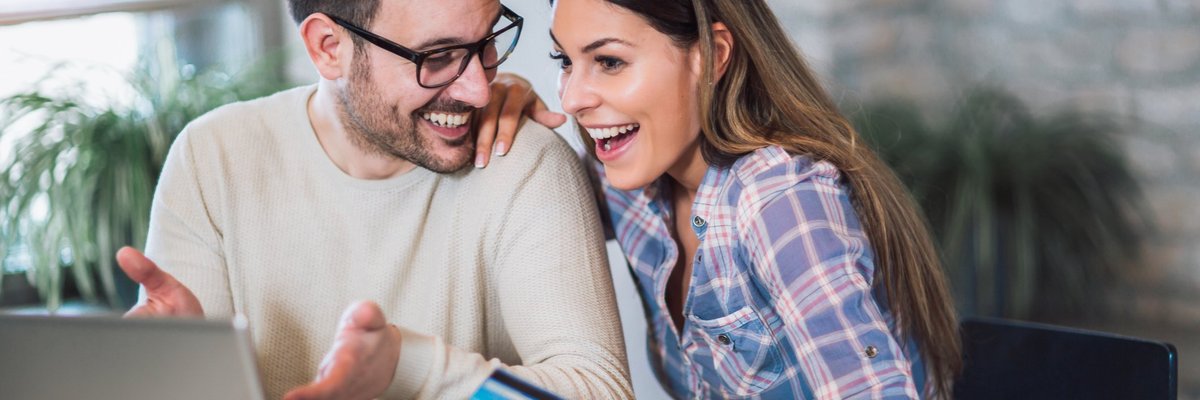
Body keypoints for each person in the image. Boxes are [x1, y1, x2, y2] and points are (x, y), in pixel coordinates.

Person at [114, 0, 633, 399]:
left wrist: (410, 367)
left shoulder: (523, 161)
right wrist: (178, 375)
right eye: (438, 56)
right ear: (328, 47)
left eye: (488, 40)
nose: (479, 89)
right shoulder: (214, 157)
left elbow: (600, 391)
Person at [547, 0, 962, 398]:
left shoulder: (781, 205)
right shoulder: (625, 180)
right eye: (564, 60)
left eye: (609, 62)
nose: (572, 99)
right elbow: (526, 219)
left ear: (711, 57)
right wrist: (502, 99)